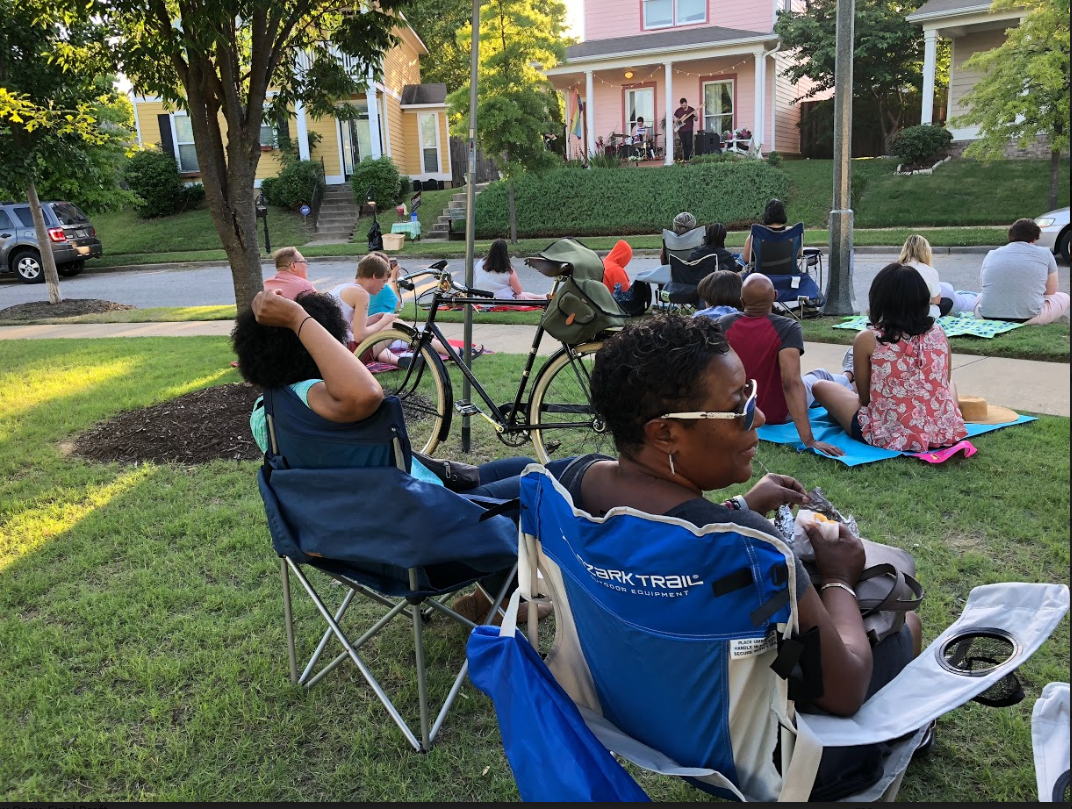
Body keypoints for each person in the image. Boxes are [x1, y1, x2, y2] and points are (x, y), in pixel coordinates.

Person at [570, 314, 921, 798]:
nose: (757, 417)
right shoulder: (750, 548)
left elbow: (663, 537)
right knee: (904, 623)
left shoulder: (570, 487)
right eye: (739, 406)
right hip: (767, 759)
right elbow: (843, 690)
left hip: (639, 717)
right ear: (666, 434)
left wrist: (737, 507)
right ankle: (910, 737)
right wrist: (838, 577)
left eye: (751, 394)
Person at [232, 288, 558, 623]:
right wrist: (299, 319)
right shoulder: (315, 399)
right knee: (545, 481)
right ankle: (499, 601)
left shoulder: (267, 415)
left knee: (523, 468)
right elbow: (366, 393)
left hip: (350, 535)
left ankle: (492, 597)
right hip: (419, 541)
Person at [813, 263, 967, 452]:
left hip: (888, 434)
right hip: (941, 431)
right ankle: (938, 418)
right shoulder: (939, 333)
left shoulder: (868, 338)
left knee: (820, 386)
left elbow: (865, 400)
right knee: (949, 386)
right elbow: (944, 382)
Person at [719, 275, 844, 457]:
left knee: (814, 380)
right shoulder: (787, 327)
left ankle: (848, 376)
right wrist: (809, 439)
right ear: (776, 296)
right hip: (780, 414)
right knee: (820, 376)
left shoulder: (723, 324)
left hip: (741, 413)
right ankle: (849, 376)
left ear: (742, 301)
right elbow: (791, 382)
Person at [976, 218, 1070, 325]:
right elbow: (1051, 291)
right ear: (1035, 238)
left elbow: (984, 285)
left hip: (987, 315)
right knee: (1064, 297)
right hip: (1028, 317)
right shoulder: (1045, 254)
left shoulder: (992, 254)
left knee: (980, 296)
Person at [328, 253, 400, 353]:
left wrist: (373, 319)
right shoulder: (362, 294)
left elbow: (348, 326)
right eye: (383, 281)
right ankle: (423, 347)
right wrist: (383, 321)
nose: (383, 286)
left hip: (330, 347)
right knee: (396, 324)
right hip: (343, 353)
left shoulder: (342, 287)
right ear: (374, 275)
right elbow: (360, 336)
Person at [898, 234, 977, 318]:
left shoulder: (895, 269)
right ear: (925, 251)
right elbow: (936, 301)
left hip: (896, 311)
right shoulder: (929, 271)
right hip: (919, 314)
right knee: (947, 302)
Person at [476, 238, 548, 301]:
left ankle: (541, 297)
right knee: (520, 296)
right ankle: (541, 300)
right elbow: (519, 290)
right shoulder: (506, 269)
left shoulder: (480, 263)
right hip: (502, 300)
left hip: (483, 298)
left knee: (520, 294)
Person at [742, 199, 795, 268]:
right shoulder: (792, 233)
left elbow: (746, 259)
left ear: (767, 214)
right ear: (783, 214)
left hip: (762, 276)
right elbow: (797, 254)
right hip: (788, 275)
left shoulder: (756, 234)